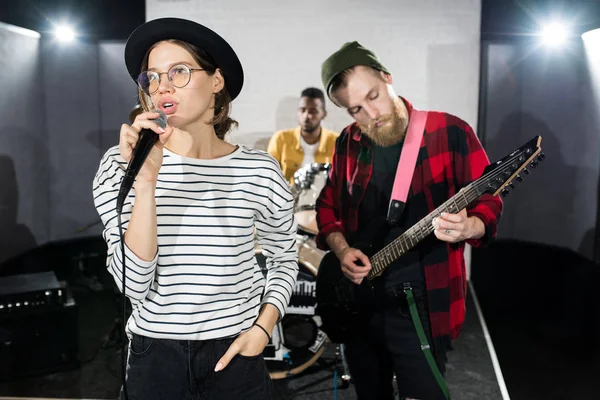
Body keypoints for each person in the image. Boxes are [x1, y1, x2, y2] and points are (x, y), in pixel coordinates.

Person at [92, 17, 298, 400]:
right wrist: (146, 183)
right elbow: (133, 284)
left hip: (235, 352)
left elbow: (284, 257)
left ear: (216, 81)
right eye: (151, 77)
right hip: (155, 356)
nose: (162, 86)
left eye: (179, 71)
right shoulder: (119, 166)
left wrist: (262, 328)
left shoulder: (258, 170)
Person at [315, 41, 503, 400]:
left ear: (387, 78)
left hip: (422, 306)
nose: (371, 114)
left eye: (374, 95)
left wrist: (470, 226)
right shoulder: (349, 142)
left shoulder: (449, 131)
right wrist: (341, 251)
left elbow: (488, 200)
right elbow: (327, 207)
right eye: (356, 109)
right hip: (359, 305)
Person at [267, 87, 338, 183]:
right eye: (302, 110)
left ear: (324, 114)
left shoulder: (337, 142)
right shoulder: (281, 139)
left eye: (313, 111)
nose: (306, 116)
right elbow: (268, 177)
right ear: (297, 112)